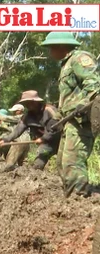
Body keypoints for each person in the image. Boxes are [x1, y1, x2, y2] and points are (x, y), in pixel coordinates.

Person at [41, 32, 100, 197]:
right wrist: (57, 118)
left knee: (73, 163)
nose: (49, 52)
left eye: (50, 48)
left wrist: (83, 104)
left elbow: (94, 85)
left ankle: (78, 199)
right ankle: (71, 197)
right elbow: (67, 98)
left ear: (60, 46)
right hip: (69, 121)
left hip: (81, 120)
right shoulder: (65, 65)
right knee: (62, 162)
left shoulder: (79, 58)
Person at [0, 90, 62, 170]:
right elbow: (18, 130)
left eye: (29, 103)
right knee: (38, 165)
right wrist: (6, 139)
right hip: (47, 144)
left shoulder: (49, 110)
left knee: (63, 166)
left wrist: (43, 138)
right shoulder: (28, 116)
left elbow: (57, 129)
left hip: (61, 141)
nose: (27, 105)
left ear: (36, 102)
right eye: (26, 103)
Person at [0, 104, 30, 171]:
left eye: (15, 111)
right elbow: (11, 130)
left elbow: (5, 118)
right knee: (22, 163)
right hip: (26, 140)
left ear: (19, 111)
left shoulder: (21, 117)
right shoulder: (20, 120)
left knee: (9, 165)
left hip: (20, 141)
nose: (13, 112)